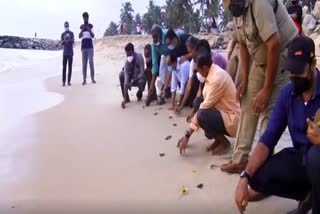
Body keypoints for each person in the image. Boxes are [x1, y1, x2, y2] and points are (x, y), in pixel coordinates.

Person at [234, 36, 320, 214]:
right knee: (257, 174)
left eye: (299, 71)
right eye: (291, 71)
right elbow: (268, 139)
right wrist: (244, 177)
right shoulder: (287, 94)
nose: (294, 77)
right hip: (301, 159)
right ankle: (310, 195)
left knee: (316, 157)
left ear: (313, 64)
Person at [221, 0, 298, 173]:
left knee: (268, 113)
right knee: (248, 102)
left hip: (283, 56)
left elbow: (274, 44)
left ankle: (264, 170)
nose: (230, 8)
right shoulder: (238, 11)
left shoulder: (260, 4)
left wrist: (267, 89)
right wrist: (245, 81)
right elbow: (242, 44)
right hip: (261, 59)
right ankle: (240, 159)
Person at [177, 52, 240, 156]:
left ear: (205, 68)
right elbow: (202, 102)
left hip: (232, 120)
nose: (197, 73)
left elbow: (203, 108)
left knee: (202, 114)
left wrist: (187, 135)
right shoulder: (210, 72)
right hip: (222, 112)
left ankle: (225, 143)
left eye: (198, 70)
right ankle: (218, 139)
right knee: (197, 102)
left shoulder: (217, 79)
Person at [175, 38, 228, 115]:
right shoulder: (195, 61)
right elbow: (192, 85)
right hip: (211, 84)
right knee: (196, 100)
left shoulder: (215, 59)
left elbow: (212, 85)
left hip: (220, 88)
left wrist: (195, 117)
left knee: (203, 111)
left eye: (190, 52)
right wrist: (182, 106)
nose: (189, 55)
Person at [145, 25, 184, 106]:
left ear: (160, 35)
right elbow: (154, 65)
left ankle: (171, 88)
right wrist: (151, 86)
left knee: (176, 70)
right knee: (162, 71)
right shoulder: (154, 45)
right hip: (165, 55)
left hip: (177, 49)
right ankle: (166, 90)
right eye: (153, 38)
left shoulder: (167, 37)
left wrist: (165, 87)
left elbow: (170, 66)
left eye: (156, 38)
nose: (155, 40)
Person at [158, 29, 191, 105]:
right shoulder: (173, 52)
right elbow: (171, 71)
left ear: (174, 38)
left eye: (170, 43)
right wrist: (165, 88)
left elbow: (197, 51)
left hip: (193, 66)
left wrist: (186, 56)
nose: (169, 46)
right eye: (167, 44)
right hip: (183, 71)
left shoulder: (186, 39)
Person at [119, 43, 146, 109]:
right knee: (121, 74)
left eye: (130, 54)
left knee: (142, 80)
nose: (128, 56)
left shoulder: (139, 57)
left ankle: (139, 92)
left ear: (133, 51)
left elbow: (142, 72)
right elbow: (126, 81)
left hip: (139, 78)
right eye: (127, 54)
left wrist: (133, 80)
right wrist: (124, 100)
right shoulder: (127, 63)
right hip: (131, 79)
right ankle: (126, 98)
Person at [79, 12, 96, 86]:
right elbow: (79, 36)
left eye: (86, 17)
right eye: (84, 17)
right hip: (83, 47)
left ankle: (92, 78)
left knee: (91, 62)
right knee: (84, 64)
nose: (85, 18)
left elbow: (93, 35)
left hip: (90, 47)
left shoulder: (91, 26)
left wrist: (88, 29)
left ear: (88, 18)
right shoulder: (81, 26)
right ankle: (84, 79)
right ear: (83, 18)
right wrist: (82, 29)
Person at [61, 21, 74, 87]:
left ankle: (69, 81)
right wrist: (65, 40)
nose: (66, 27)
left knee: (70, 67)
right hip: (65, 53)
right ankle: (63, 82)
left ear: (68, 26)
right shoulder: (62, 34)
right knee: (64, 68)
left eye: (67, 26)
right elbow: (62, 43)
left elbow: (73, 42)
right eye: (65, 26)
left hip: (70, 53)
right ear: (64, 26)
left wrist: (69, 38)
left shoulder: (71, 33)